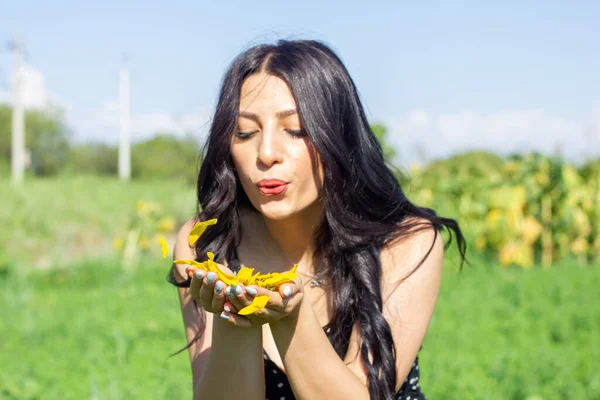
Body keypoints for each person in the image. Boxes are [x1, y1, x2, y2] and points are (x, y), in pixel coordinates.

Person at [168, 39, 466, 400]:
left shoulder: (405, 240)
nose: (266, 154)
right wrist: (234, 318)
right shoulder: (208, 243)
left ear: (337, 135)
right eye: (245, 132)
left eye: (294, 130)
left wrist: (289, 318)